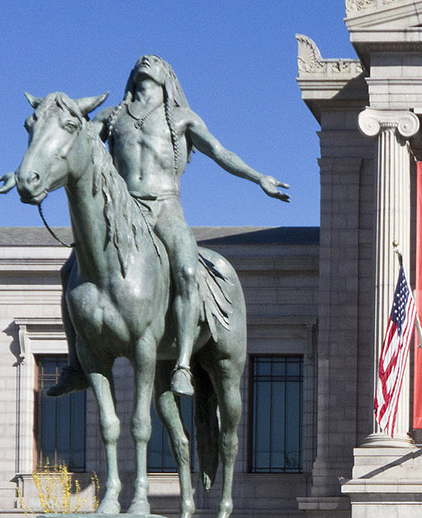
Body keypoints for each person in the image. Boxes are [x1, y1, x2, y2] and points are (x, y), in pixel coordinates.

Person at [46, 55, 288, 396]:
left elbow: (220, 152)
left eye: (156, 61)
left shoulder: (181, 118)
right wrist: (23, 175)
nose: (147, 60)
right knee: (67, 271)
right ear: (132, 76)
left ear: (168, 77)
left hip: (165, 207)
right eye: (142, 61)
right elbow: (66, 146)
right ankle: (76, 367)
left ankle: (183, 365)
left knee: (187, 270)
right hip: (125, 209)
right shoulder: (113, 117)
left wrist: (258, 177)